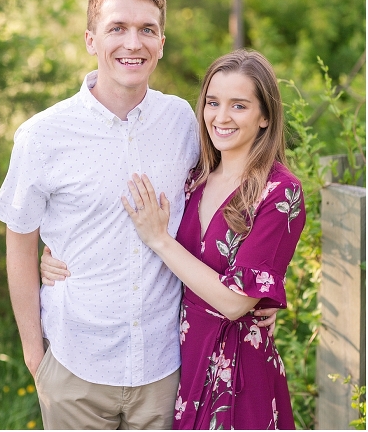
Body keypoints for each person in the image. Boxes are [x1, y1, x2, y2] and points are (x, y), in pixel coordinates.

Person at [0, 0, 276, 429]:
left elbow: (232, 198)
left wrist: (261, 290)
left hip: (166, 368)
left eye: (147, 29)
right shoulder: (42, 135)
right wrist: (34, 355)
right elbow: (19, 242)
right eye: (117, 28)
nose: (133, 43)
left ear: (161, 43)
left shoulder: (183, 121)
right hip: (75, 366)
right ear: (91, 39)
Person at [43, 50, 304, 429]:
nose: (221, 117)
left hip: (239, 369)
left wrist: (160, 239)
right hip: (185, 360)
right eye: (213, 103)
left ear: (265, 116)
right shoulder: (196, 177)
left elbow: (235, 302)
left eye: (239, 105)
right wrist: (58, 255)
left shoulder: (280, 191)